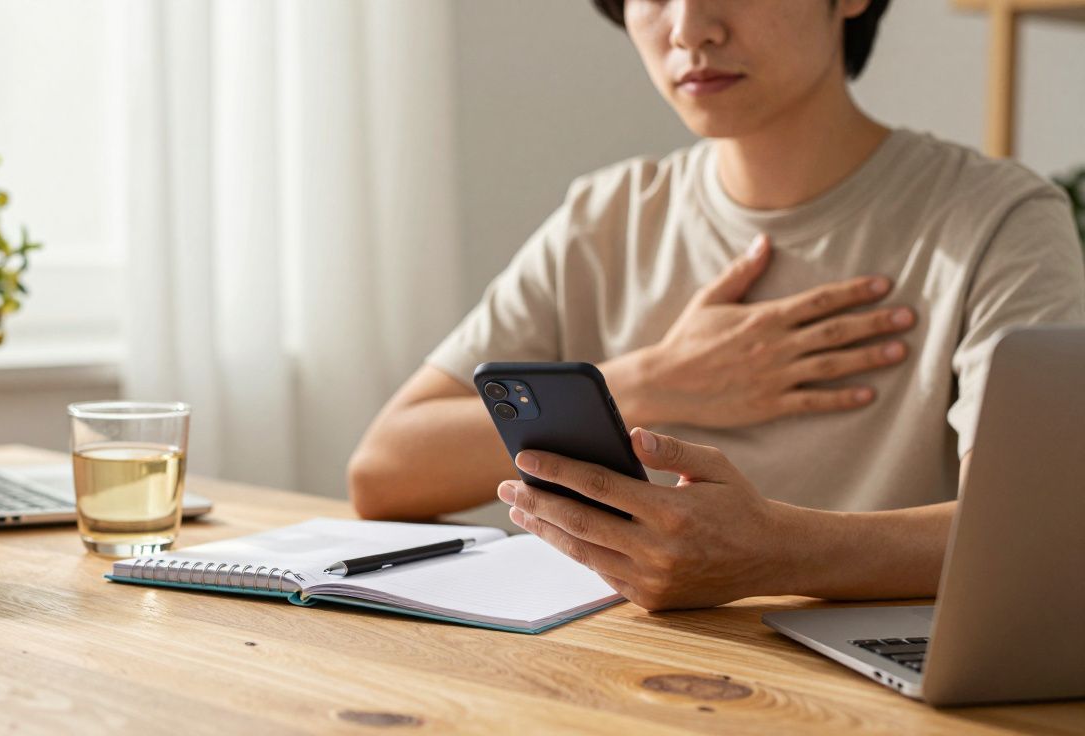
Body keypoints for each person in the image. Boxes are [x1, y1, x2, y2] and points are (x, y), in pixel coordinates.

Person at [347, 0, 1085, 611]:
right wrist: (659, 378)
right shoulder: (607, 215)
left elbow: (1040, 533)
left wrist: (775, 554)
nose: (690, 26)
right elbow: (384, 471)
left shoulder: (1000, 221)